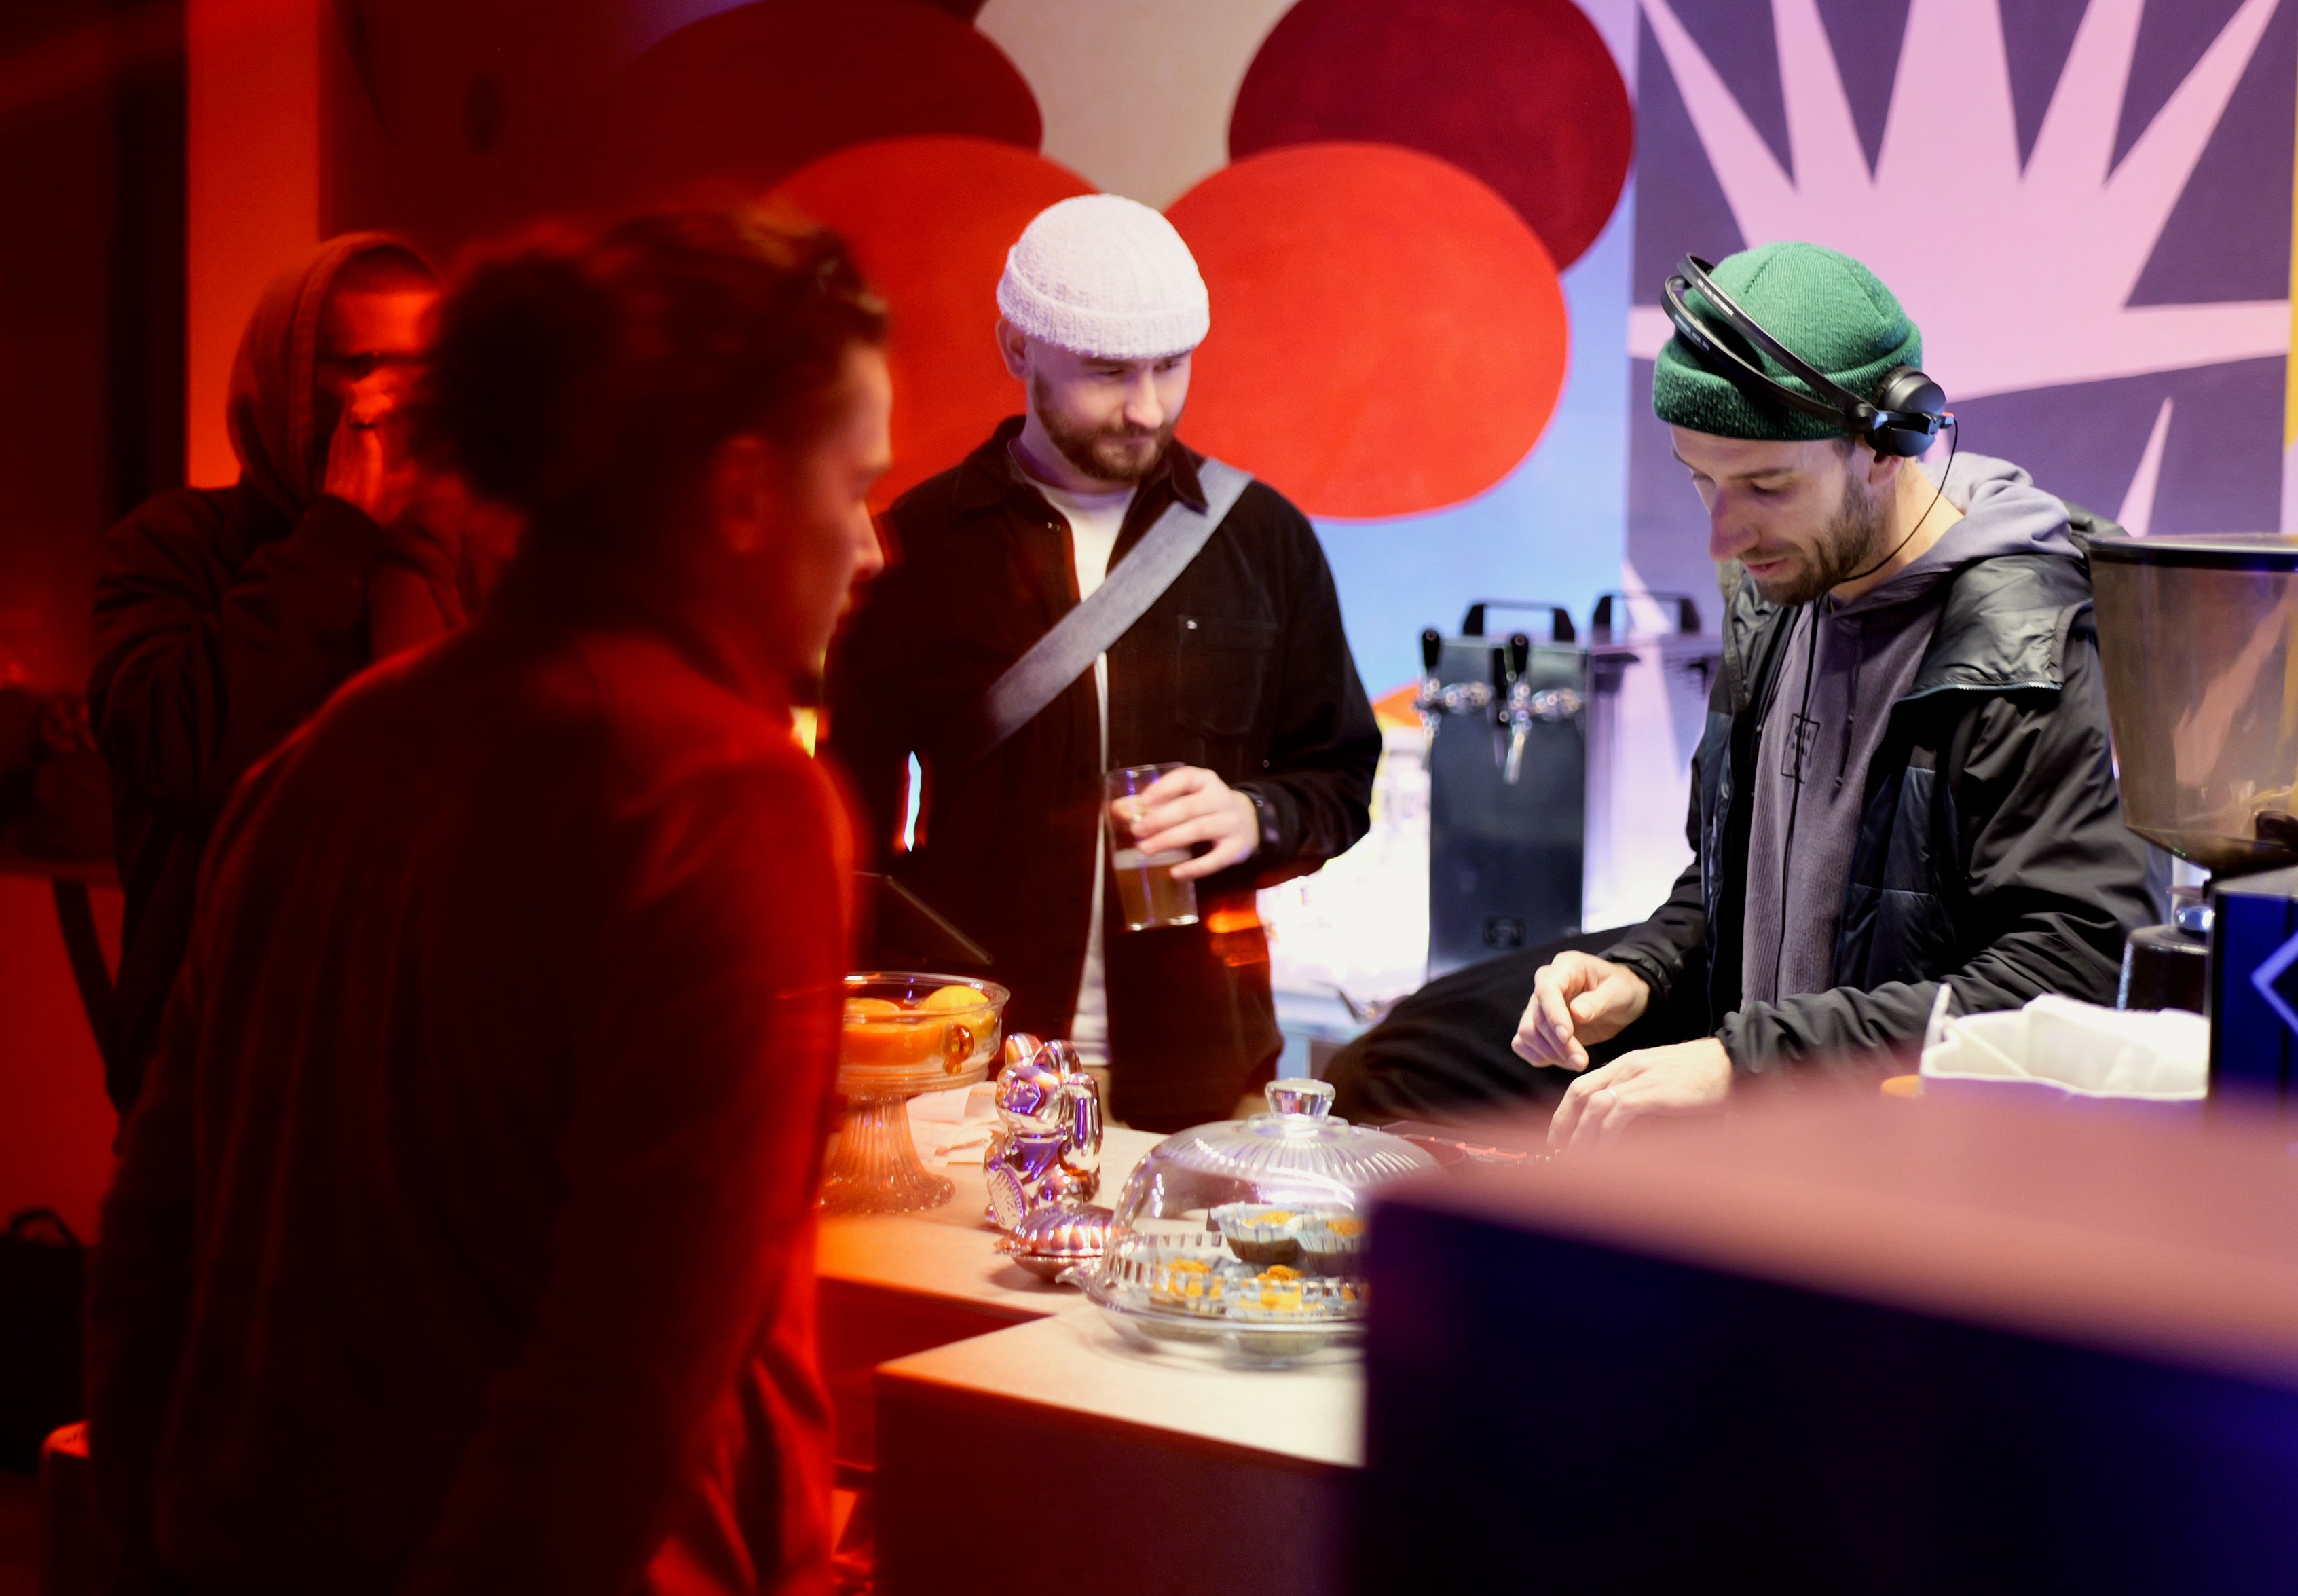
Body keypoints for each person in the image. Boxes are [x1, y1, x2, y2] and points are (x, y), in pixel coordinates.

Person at [87, 210, 889, 1595]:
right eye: (855, 482)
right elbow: (626, 1389)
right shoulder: (721, 798)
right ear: (745, 491)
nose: (873, 549)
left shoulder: (318, 759)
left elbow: (149, 1254)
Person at [1328, 242, 2155, 1142]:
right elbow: (1725, 885)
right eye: (1703, 482)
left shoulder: (2030, 641)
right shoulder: (1777, 596)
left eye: (1766, 486)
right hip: (1777, 1129)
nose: (1725, 538)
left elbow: (2077, 973)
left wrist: (1748, 1062)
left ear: (1889, 445)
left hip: (1923, 1169)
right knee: (1395, 1065)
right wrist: (1643, 973)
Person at [825, 193, 1378, 1130]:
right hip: (963, 1070)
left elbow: (1342, 778)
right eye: (1109, 371)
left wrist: (1256, 814)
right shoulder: (916, 544)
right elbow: (847, 823)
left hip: (1204, 1073)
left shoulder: (1262, 537)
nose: (1146, 407)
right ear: (1018, 349)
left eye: (1171, 366)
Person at [88, 233, 489, 1113]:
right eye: (371, 367)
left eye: (431, 373)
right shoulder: (173, 548)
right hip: (225, 1086)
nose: (406, 403)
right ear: (291, 383)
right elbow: (184, 748)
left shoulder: (472, 564)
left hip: (431, 1087)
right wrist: (339, 532)